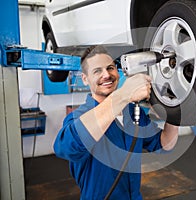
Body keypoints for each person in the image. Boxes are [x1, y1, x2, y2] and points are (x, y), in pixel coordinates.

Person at [53, 45, 178, 200]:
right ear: (85, 79)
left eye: (110, 68)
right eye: (97, 71)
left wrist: (175, 110)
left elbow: (164, 144)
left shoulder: (132, 113)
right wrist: (123, 95)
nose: (106, 75)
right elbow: (66, 147)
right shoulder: (79, 118)